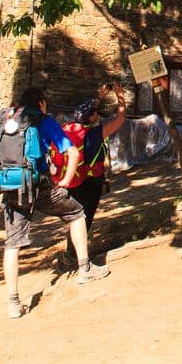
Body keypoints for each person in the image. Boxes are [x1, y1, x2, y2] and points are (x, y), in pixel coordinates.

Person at [0, 84, 109, 319]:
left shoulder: (7, 122)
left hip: (11, 188)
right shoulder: (43, 121)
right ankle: (84, 268)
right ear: (41, 103)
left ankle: (13, 301)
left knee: (12, 243)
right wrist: (66, 180)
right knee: (77, 213)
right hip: (40, 186)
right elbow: (72, 152)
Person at [53, 81, 127, 269]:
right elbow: (120, 119)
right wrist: (120, 97)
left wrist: (99, 97)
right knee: (84, 218)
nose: (97, 114)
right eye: (95, 113)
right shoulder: (96, 133)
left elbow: (87, 111)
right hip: (92, 180)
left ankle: (70, 253)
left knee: (75, 215)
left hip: (72, 178)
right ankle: (73, 257)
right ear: (91, 117)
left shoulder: (66, 129)